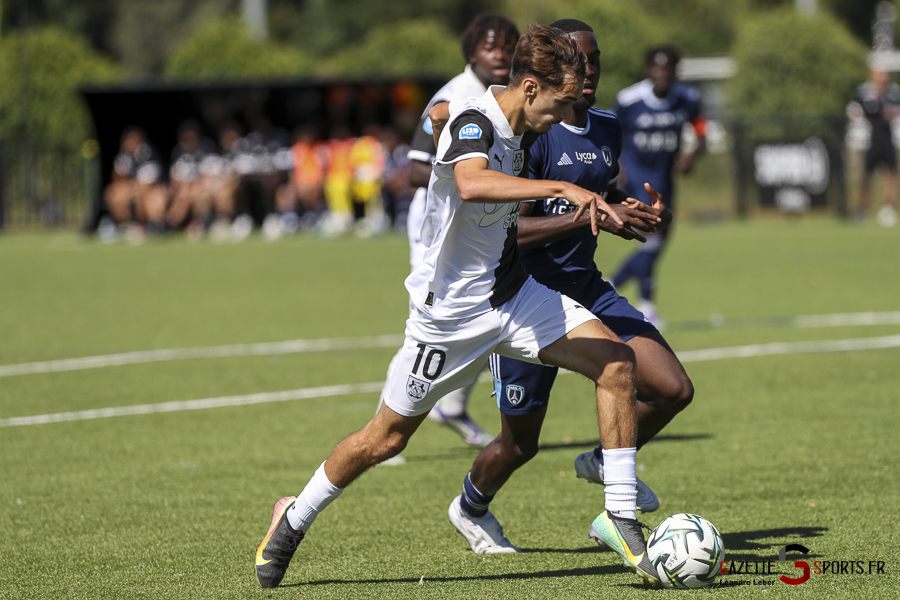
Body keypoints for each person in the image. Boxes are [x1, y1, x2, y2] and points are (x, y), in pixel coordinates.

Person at [255, 24, 660, 589]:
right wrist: (566, 191)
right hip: (449, 316)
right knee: (385, 439)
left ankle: (622, 519)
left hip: (517, 297)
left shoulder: (522, 123)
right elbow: (470, 182)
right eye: (560, 103)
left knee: (616, 363)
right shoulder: (476, 121)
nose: (565, 115)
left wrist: (610, 202)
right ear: (528, 88)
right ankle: (292, 518)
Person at [443, 20, 693, 561]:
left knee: (672, 388)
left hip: (588, 288)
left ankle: (608, 464)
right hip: (525, 297)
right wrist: (587, 215)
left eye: (595, 60)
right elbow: (514, 229)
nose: (589, 72)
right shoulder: (530, 134)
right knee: (520, 444)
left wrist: (638, 209)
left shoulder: (607, 126)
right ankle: (470, 506)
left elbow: (601, 189)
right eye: (579, 61)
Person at [399, 13, 520, 447]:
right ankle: (386, 426)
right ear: (472, 52)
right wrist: (465, 173)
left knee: (488, 316)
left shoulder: (505, 94)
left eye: (509, 47)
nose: (501, 55)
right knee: (431, 330)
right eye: (492, 47)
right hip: (439, 234)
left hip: (480, 230)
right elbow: (414, 169)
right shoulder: (455, 95)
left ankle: (450, 407)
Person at [609, 45, 707, 328]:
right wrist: (618, 166)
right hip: (638, 181)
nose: (662, 74)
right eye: (657, 67)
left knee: (655, 243)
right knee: (651, 239)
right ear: (648, 69)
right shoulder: (629, 99)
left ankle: (612, 285)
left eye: (668, 68)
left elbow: (701, 132)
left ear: (677, 71)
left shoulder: (687, 98)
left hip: (665, 182)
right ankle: (647, 304)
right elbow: (610, 133)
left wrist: (691, 157)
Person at [847, 65, 900, 227]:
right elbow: (852, 111)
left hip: (888, 138)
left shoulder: (894, 92)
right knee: (865, 175)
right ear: (872, 75)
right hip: (869, 139)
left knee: (890, 173)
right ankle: (862, 209)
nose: (882, 77)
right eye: (879, 74)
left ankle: (888, 208)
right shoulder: (863, 92)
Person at [103, 126, 168, 234]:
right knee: (114, 192)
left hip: (151, 190)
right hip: (132, 188)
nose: (129, 142)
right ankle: (125, 225)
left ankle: (148, 225)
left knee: (152, 196)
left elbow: (148, 184)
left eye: (132, 139)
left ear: (140, 140)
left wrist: (131, 188)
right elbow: (117, 179)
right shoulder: (123, 156)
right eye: (127, 139)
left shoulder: (149, 154)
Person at [165, 120, 217, 232]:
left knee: (200, 192)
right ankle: (169, 224)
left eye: (191, 136)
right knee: (182, 194)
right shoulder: (178, 151)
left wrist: (192, 187)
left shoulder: (207, 148)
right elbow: (174, 178)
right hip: (185, 188)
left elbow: (210, 175)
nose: (189, 139)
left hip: (205, 186)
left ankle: (202, 223)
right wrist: (177, 190)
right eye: (186, 137)